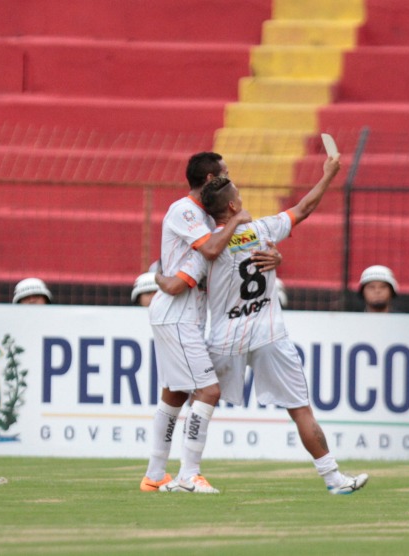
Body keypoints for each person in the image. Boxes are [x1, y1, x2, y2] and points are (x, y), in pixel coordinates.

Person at [183, 153, 368, 494]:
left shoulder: (208, 242)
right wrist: (328, 174)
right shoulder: (264, 229)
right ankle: (334, 479)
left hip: (225, 335)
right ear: (235, 204)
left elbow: (196, 266)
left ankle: (187, 473)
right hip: (269, 333)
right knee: (300, 409)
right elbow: (304, 207)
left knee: (201, 399)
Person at [140, 151, 280, 494]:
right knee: (209, 390)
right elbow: (211, 252)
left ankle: (155, 474)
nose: (230, 179)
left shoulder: (203, 219)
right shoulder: (185, 211)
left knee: (174, 394)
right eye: (225, 174)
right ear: (209, 180)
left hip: (183, 314)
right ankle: (189, 473)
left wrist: (274, 255)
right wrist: (237, 220)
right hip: (177, 317)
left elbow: (181, 274)